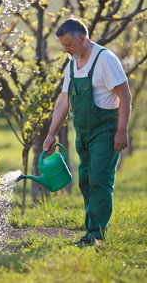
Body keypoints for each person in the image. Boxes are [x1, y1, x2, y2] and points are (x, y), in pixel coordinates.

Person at [43, 16, 132, 246]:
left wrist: (122, 131)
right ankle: (91, 231)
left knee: (99, 180)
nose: (65, 49)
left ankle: (97, 235)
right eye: (62, 45)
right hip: (82, 132)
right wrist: (51, 134)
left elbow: (125, 96)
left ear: (82, 38)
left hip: (106, 130)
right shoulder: (72, 63)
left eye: (68, 44)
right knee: (85, 181)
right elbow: (64, 101)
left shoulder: (105, 59)